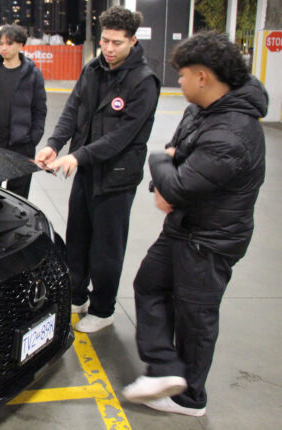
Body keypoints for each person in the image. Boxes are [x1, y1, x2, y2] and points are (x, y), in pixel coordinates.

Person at [122, 32, 267, 417]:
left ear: (203, 76)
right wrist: (167, 175)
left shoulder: (231, 133)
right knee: (149, 284)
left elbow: (176, 176)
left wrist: (159, 161)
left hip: (209, 241)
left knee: (195, 318)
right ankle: (166, 368)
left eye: (183, 75)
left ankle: (190, 399)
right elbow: (174, 169)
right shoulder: (200, 111)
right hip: (184, 228)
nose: (179, 82)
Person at [35, 5, 160, 333]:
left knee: (107, 247)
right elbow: (72, 109)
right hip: (87, 172)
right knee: (78, 238)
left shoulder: (143, 82)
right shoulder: (93, 69)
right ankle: (77, 295)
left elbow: (123, 137)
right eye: (105, 40)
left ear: (132, 41)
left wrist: (77, 157)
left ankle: (104, 309)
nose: (109, 48)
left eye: (117, 42)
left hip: (116, 178)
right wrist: (54, 144)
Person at [0, 24, 46, 199]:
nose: (4, 48)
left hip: (21, 143)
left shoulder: (33, 74)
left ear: (21, 45)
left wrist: (33, 139)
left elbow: (40, 109)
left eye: (9, 43)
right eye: (0, 43)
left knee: (18, 197)